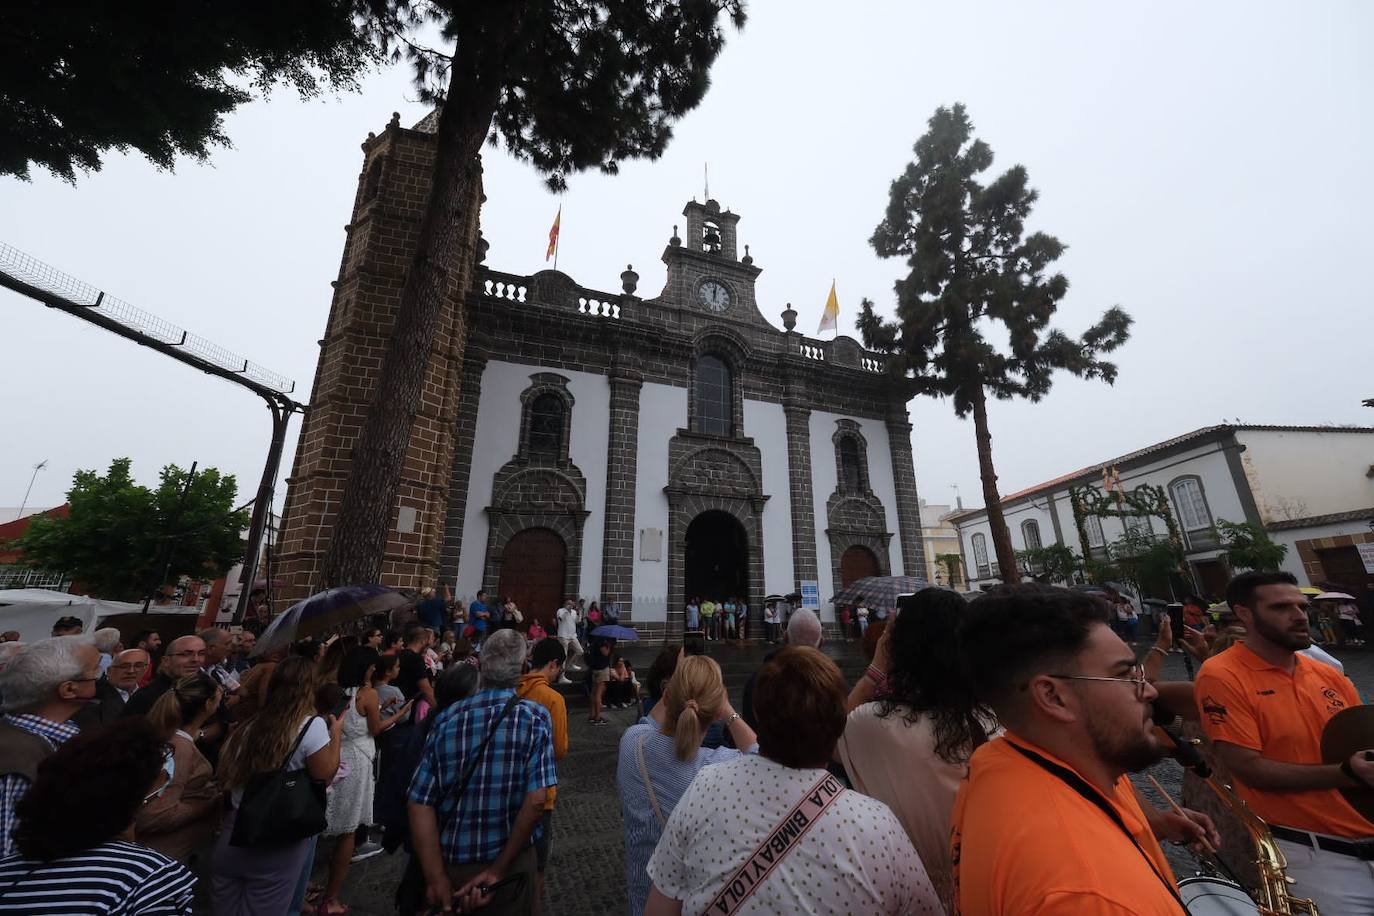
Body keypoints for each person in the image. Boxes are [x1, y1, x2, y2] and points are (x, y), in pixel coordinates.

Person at [951, 583, 1219, 916]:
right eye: (1124, 674)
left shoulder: (1000, 760)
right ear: (1053, 697)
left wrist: (1156, 825)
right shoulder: (1092, 895)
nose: (1150, 691)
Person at [644, 647, 939, 914]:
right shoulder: (877, 825)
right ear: (840, 726)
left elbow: (659, 908)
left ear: (758, 713)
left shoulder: (705, 786)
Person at [1194, 570, 1374, 914]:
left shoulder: (1328, 674)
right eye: (1281, 607)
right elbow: (1249, 769)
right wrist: (1346, 774)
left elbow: (1361, 738)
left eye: (1301, 607)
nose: (1299, 616)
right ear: (1244, 614)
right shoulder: (1222, 674)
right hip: (1320, 857)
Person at [837, 588, 993, 909]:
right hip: (987, 891)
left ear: (897, 648)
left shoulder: (873, 725)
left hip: (907, 896)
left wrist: (876, 669)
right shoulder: (994, 719)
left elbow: (825, 740)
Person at [407, 629, 557, 915]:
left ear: (482, 665)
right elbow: (538, 800)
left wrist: (435, 876)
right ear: (522, 666)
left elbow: (419, 801)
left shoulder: (447, 717)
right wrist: (499, 869)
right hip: (510, 866)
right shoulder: (535, 717)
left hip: (453, 863)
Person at [0, 719, 197, 914]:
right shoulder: (150, 878)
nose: (160, 795)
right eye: (158, 786)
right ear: (135, 799)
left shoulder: (6, 871)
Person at [618, 655, 757, 915]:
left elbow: (650, 722)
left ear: (666, 696)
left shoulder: (632, 743)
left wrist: (681, 678)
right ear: (716, 714)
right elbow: (759, 757)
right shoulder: (720, 767)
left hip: (642, 900)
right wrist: (729, 711)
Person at [212, 656, 343, 916]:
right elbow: (325, 775)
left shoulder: (249, 725)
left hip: (235, 829)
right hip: (278, 833)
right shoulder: (312, 725)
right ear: (310, 689)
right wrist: (336, 732)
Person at [319, 647, 414, 915]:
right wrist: (400, 713)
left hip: (335, 755)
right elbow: (375, 728)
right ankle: (331, 899)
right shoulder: (367, 693)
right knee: (348, 830)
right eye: (372, 667)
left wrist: (381, 707)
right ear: (366, 669)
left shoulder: (336, 691)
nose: (374, 670)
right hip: (358, 761)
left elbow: (354, 717)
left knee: (326, 820)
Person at [0, 637, 102, 856]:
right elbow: (7, 854)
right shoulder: (19, 756)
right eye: (96, 671)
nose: (100, 678)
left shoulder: (42, 739)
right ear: (69, 689)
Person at [139, 672, 223, 860]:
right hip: (163, 854)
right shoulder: (178, 749)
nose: (219, 705)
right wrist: (209, 803)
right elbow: (155, 816)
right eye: (219, 699)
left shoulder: (171, 738)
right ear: (208, 704)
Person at [517, 639, 569, 913]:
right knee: (537, 865)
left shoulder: (514, 689)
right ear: (553, 664)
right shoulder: (553, 699)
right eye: (559, 668)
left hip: (511, 786)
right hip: (541, 790)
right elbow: (559, 749)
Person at [739, 608, 822, 734]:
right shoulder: (829, 683)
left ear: (785, 637)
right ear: (821, 642)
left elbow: (751, 727)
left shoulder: (759, 681)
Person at [122, 635, 207, 718]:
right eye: (186, 654)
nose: (196, 659)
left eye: (201, 654)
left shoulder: (207, 690)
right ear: (166, 661)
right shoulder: (144, 697)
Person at [73, 646, 149, 729]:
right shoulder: (92, 695)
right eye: (124, 666)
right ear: (109, 671)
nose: (131, 671)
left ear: (146, 669)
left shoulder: (147, 696)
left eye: (138, 666)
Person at [395, 624, 437, 711]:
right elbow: (425, 688)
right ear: (423, 641)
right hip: (408, 706)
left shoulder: (398, 654)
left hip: (396, 703)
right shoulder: (416, 659)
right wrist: (439, 709)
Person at [555, 599, 582, 683]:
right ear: (565, 604)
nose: (570, 605)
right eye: (568, 604)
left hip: (573, 635)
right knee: (564, 657)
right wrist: (567, 610)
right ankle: (561, 677)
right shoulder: (560, 611)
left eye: (571, 603)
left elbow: (578, 621)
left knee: (580, 651)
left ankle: (571, 664)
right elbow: (560, 618)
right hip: (563, 636)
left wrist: (579, 612)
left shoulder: (573, 612)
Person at [588, 637, 613, 725]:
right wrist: (609, 647)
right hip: (602, 669)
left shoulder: (595, 640)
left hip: (595, 668)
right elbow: (605, 653)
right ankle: (598, 717)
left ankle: (592, 715)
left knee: (594, 692)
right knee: (598, 693)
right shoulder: (602, 641)